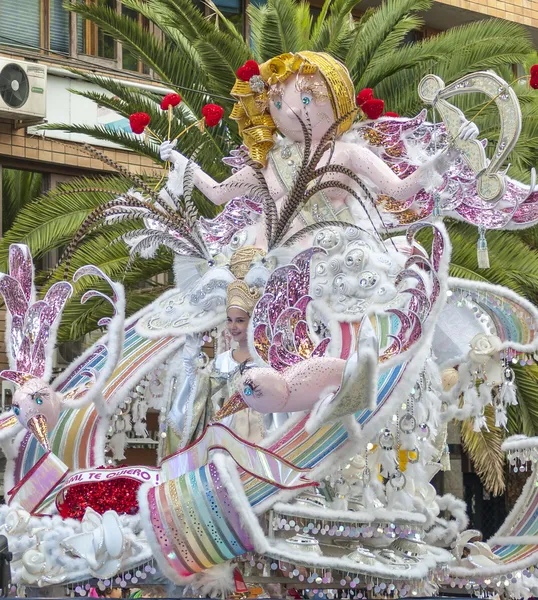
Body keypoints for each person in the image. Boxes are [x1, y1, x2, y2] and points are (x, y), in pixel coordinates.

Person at [160, 51, 478, 241]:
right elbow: (218, 193)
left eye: (307, 99)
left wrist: (441, 161)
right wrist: (177, 159)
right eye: (280, 102)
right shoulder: (272, 160)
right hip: (266, 264)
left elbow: (399, 189)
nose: (295, 109)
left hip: (338, 260)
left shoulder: (349, 153)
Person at [167, 246, 277, 448]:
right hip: (225, 441)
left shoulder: (269, 361)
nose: (233, 327)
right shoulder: (222, 361)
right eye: (230, 320)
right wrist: (189, 362)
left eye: (240, 321)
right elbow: (198, 393)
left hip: (264, 444)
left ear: (253, 321)